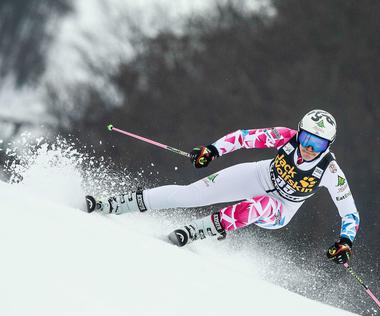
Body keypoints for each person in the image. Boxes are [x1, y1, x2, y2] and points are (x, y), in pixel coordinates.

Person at [85, 109, 359, 265]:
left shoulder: (330, 171)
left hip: (281, 209)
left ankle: (197, 231)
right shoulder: (284, 137)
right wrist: (212, 150)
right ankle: (115, 204)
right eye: (308, 139)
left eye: (319, 144)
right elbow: (243, 138)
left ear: (328, 146)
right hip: (257, 176)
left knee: (260, 206)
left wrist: (345, 242)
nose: (310, 148)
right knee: (189, 194)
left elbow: (350, 213)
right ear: (299, 133)